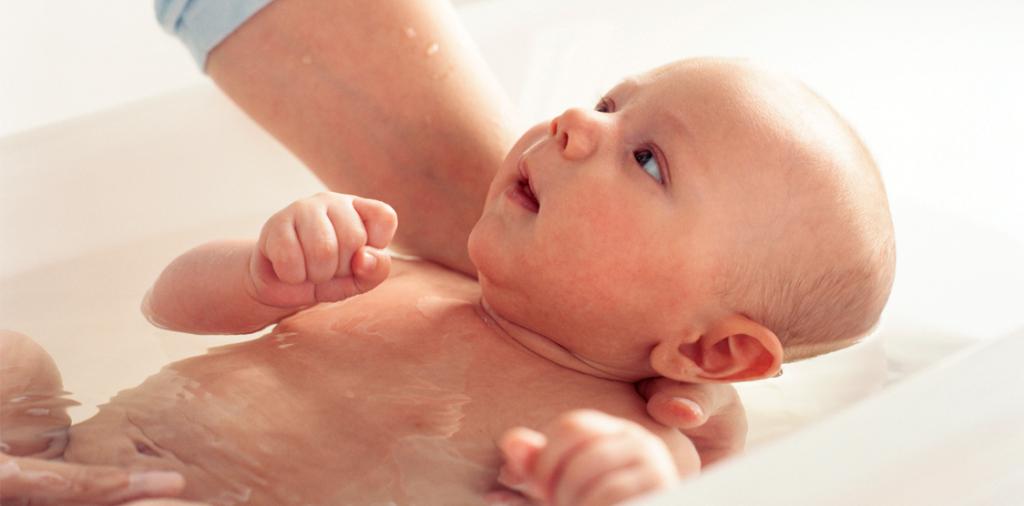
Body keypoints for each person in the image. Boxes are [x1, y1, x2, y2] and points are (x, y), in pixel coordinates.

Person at [1, 54, 895, 505]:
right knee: (13, 361)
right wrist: (262, 274)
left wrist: (620, 481)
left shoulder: (637, 434)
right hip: (77, 456)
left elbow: (646, 490)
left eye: (649, 160)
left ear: (714, 347)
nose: (577, 120)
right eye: (613, 100)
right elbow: (169, 306)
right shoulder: (393, 274)